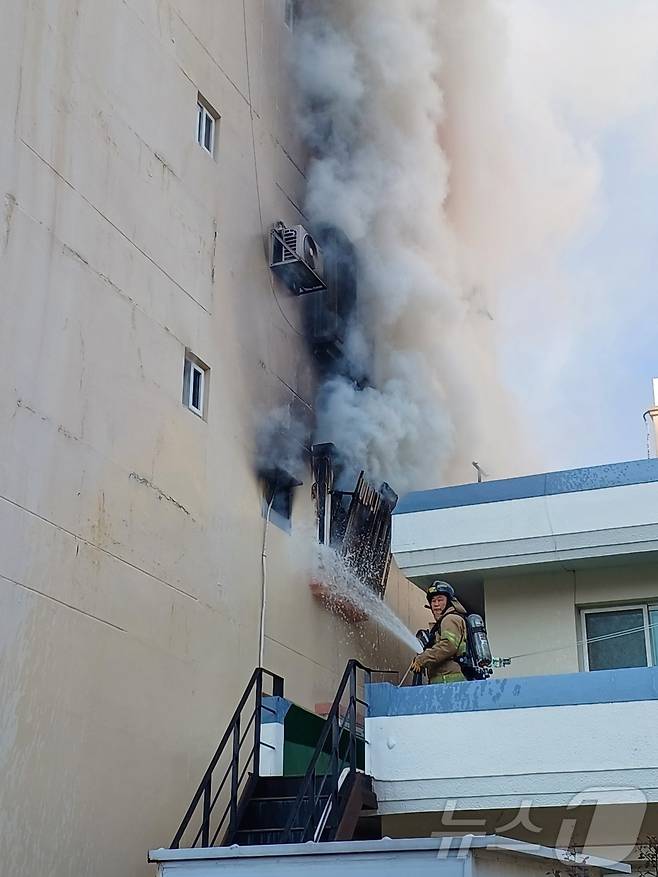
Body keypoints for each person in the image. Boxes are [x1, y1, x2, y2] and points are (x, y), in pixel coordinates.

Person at [410, 580, 467, 684]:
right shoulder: (444, 622)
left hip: (448, 681)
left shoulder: (449, 619)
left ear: (449, 602)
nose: (436, 604)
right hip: (445, 682)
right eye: (433, 601)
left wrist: (422, 659)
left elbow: (448, 645)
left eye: (440, 600)